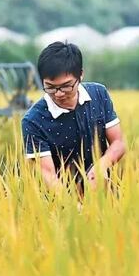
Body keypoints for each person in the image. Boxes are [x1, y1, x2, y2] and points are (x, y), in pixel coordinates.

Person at [22, 42, 126, 192]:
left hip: (103, 193)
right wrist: (74, 209)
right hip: (58, 201)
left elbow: (118, 142)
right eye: (50, 87)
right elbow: (47, 174)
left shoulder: (99, 94)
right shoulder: (33, 120)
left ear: (81, 75)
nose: (58, 93)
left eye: (66, 86)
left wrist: (101, 166)